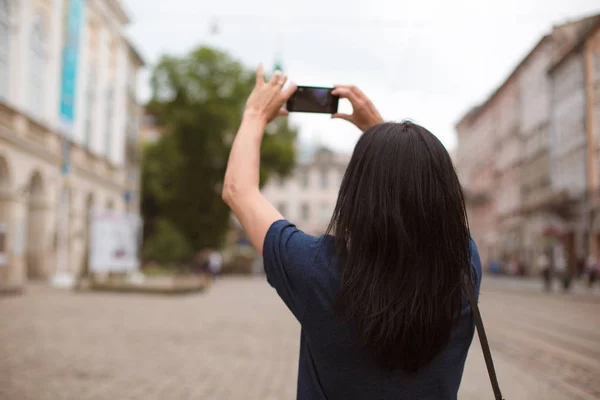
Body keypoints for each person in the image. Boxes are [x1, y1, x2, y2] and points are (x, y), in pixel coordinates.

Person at [222, 65, 482, 400]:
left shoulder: (317, 269)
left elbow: (237, 190)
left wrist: (255, 114)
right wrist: (387, 136)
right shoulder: (463, 266)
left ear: (357, 194)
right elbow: (436, 213)